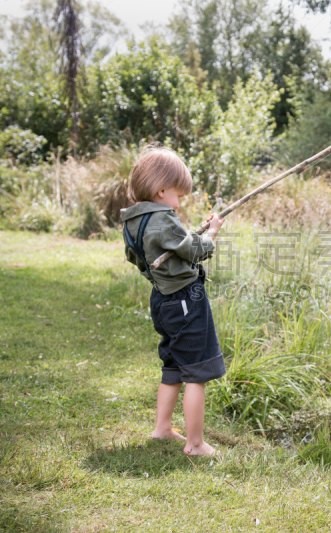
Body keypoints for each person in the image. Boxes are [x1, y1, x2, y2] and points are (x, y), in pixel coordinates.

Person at [120, 145, 225, 456]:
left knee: (173, 365)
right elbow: (194, 251)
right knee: (196, 369)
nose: (179, 203)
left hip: (161, 299)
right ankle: (195, 444)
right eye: (178, 195)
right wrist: (212, 234)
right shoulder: (164, 218)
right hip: (184, 300)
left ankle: (162, 428)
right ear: (161, 189)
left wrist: (191, 236)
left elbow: (146, 254)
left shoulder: (133, 221)